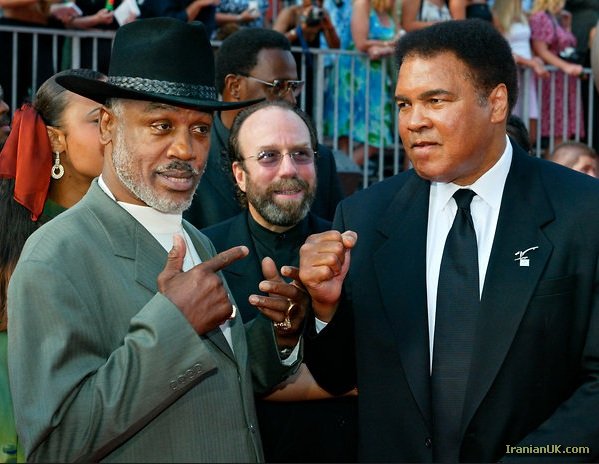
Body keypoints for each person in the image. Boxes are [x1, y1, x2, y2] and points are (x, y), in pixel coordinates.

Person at [299, 19, 599, 462]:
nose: (413, 122)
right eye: (404, 104)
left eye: (435, 101)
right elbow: (339, 377)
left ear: (495, 103)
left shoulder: (584, 212)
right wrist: (325, 310)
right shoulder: (363, 217)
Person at [7, 18, 304, 462]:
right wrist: (175, 325)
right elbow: (55, 445)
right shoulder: (54, 256)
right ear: (108, 126)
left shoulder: (196, 240)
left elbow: (217, 391)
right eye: (161, 125)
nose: (185, 149)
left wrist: (278, 333)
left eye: (200, 129)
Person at [202, 99, 358, 463]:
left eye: (301, 154)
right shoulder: (206, 253)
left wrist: (324, 311)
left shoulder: (350, 248)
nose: (289, 169)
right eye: (269, 156)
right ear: (239, 175)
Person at [0, 67, 105, 464]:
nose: (114, 132)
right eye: (98, 121)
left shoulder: (134, 217)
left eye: (117, 117)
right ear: (56, 138)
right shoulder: (16, 226)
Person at [184, 27, 343, 230]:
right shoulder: (192, 160)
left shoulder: (320, 160)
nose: (290, 99)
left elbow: (334, 234)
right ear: (234, 86)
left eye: (293, 87)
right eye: (277, 86)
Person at [323, 0, 398, 166]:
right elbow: (361, 43)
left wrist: (384, 48)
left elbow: (397, 39)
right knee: (345, 133)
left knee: (378, 136)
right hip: (352, 75)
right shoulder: (362, 4)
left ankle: (339, 175)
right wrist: (388, 45)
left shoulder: (389, 9)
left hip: (375, 79)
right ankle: (342, 176)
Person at [529, 0, 585, 149]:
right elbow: (540, 49)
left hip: (564, 84)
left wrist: (567, 27)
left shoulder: (556, 18)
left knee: (564, 136)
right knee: (557, 136)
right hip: (552, 83)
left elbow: (566, 46)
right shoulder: (540, 17)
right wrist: (566, 66)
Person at [493, 0, 548, 145]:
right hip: (512, 73)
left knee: (532, 124)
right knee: (512, 121)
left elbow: (526, 45)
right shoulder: (498, 15)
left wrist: (534, 59)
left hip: (527, 75)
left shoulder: (523, 15)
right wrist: (530, 62)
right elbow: (503, 49)